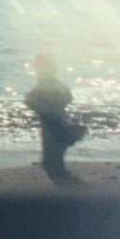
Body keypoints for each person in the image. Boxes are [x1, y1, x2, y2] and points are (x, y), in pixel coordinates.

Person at [25, 53, 86, 187]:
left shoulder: (50, 83)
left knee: (54, 149)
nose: (46, 67)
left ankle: (63, 177)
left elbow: (31, 100)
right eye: (44, 65)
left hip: (54, 118)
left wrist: (41, 105)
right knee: (55, 149)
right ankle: (63, 177)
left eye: (48, 64)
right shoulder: (52, 83)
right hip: (54, 117)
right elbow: (68, 97)